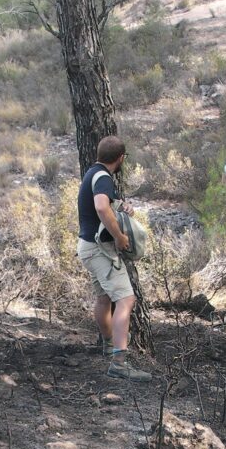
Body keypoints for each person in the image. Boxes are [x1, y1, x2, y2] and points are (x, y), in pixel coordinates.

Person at [76, 135, 152, 382]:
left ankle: (109, 347)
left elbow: (105, 205)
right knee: (126, 300)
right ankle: (119, 362)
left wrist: (124, 208)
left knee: (104, 298)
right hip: (100, 250)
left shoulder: (93, 174)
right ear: (120, 158)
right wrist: (119, 236)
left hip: (87, 247)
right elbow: (100, 206)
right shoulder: (104, 178)